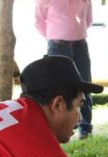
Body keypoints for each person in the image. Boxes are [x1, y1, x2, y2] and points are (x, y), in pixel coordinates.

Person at [35, 0, 95, 139]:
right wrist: (54, 36)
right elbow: (39, 21)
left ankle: (85, 128)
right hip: (57, 45)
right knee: (57, 89)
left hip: (80, 45)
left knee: (85, 85)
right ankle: (56, 128)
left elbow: (88, 20)